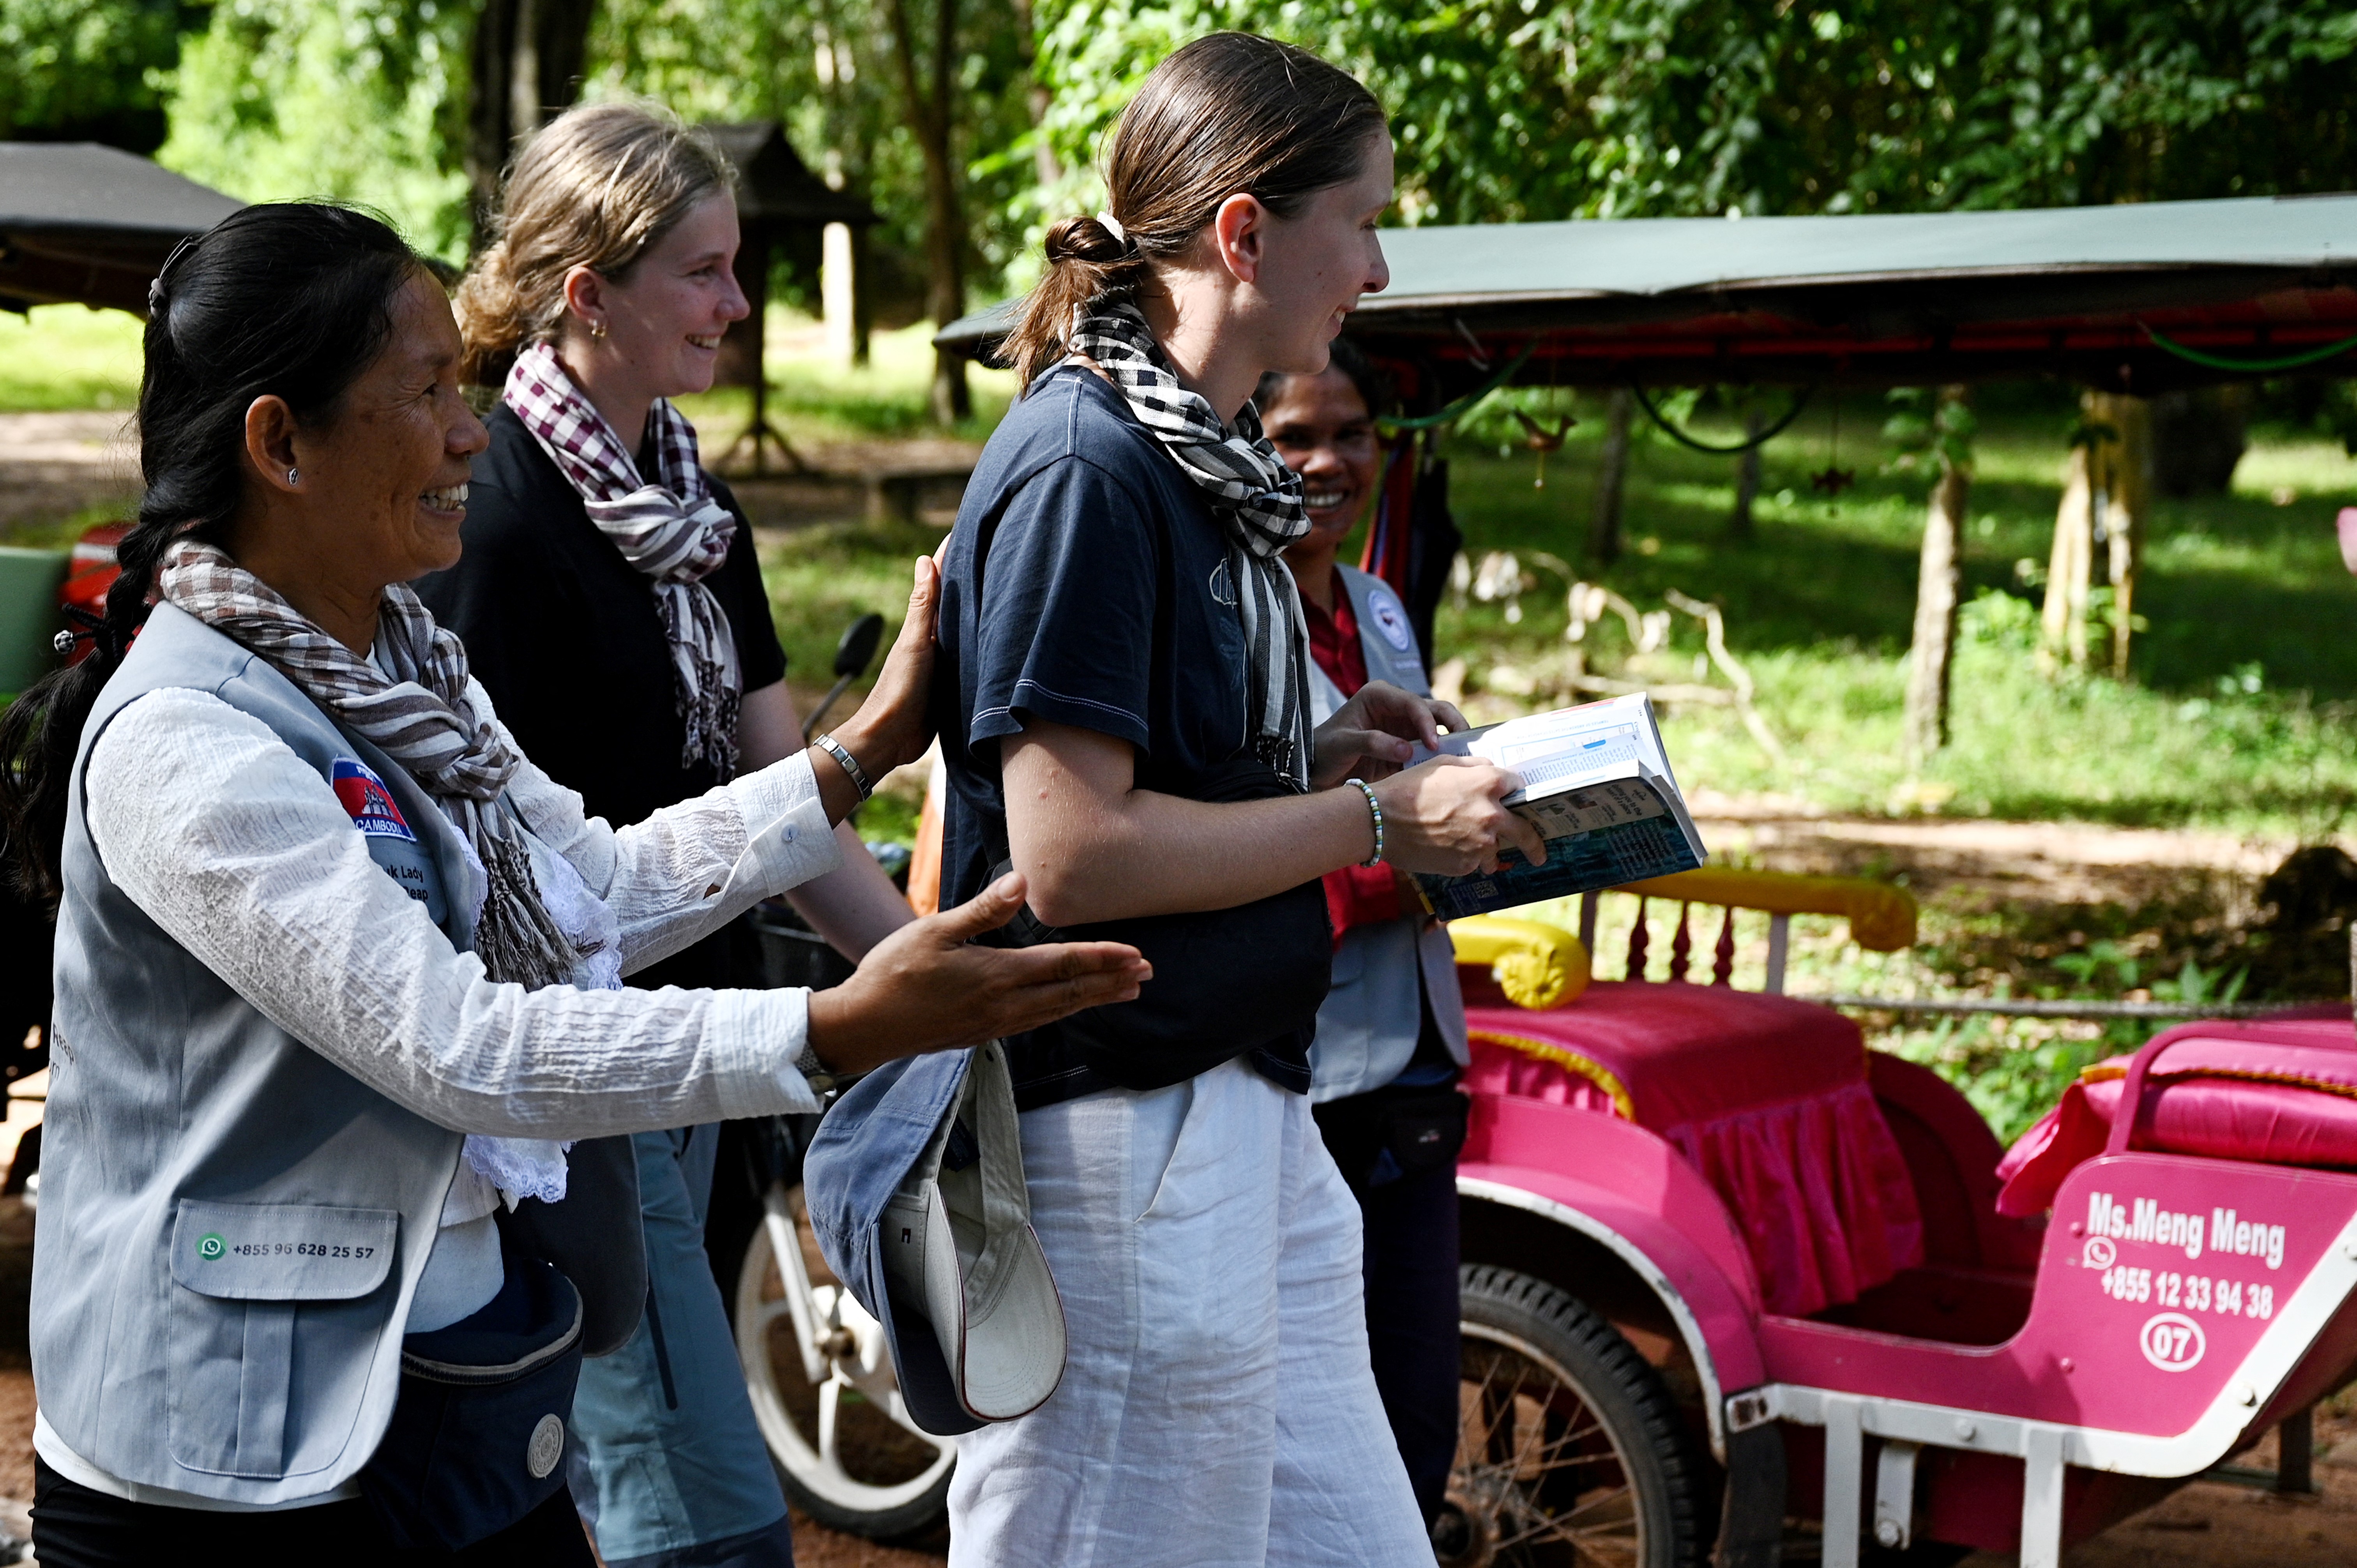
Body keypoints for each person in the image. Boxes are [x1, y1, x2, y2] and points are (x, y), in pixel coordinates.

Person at [0, 200, 1148, 1568]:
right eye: (425, 394)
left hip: (454, 1387)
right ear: (279, 443)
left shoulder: (402, 667)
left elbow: (589, 882)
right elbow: (465, 1047)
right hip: (229, 1464)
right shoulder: (189, 740)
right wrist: (835, 1030)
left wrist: (859, 754)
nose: (470, 433)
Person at [932, 32, 1542, 1567]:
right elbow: (1072, 852)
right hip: (1126, 1128)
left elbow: (1168, 782)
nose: (1382, 270)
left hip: (1246, 1107)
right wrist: (1381, 826)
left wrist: (1323, 751)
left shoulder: (1200, 468)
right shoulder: (1090, 466)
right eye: (1366, 219)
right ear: (1245, 233)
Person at [419, 102, 909, 1568]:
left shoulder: (694, 507)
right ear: (590, 295)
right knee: (702, 1517)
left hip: (697, 1046)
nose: (737, 306)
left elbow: (783, 799)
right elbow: (476, 860)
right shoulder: (491, 515)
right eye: (703, 273)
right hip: (569, 1075)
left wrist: (936, 982)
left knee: (606, 1480)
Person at [1260, 343, 1469, 1529]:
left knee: (1415, 1404)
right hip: (1302, 1063)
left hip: (1420, 1056)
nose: (1330, 462)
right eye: (1295, 437)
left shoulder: (1381, 600)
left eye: (1354, 435)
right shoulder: (1229, 614)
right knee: (1308, 1415)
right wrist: (1406, 846)